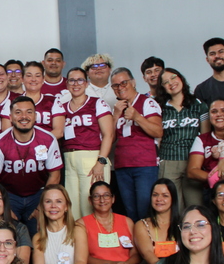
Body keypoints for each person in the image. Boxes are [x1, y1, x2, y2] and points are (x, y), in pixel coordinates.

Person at [0, 96, 62, 236]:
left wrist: (41, 206)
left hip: (38, 194)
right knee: (8, 235)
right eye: (18, 112)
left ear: (35, 116)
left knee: (39, 235)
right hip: (9, 195)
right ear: (10, 117)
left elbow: (55, 175)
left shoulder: (48, 139)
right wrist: (5, 207)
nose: (24, 116)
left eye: (29, 112)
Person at [52, 67, 113, 217]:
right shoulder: (62, 107)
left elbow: (109, 134)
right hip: (69, 158)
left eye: (80, 80)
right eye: (72, 80)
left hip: (91, 157)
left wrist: (101, 161)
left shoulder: (97, 103)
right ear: (67, 84)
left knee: (91, 207)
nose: (76, 84)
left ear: (86, 83)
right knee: (73, 209)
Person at [111, 67, 163, 223]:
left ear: (133, 82)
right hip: (122, 166)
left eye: (124, 83)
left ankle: (149, 239)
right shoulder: (117, 107)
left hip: (144, 165)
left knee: (145, 210)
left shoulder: (147, 102)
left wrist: (137, 117)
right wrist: (115, 115)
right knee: (130, 213)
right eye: (115, 85)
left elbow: (158, 131)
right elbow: (110, 139)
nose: (120, 87)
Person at [156, 67, 209, 208]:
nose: (171, 83)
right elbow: (158, 137)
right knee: (172, 206)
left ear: (181, 78)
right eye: (166, 82)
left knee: (195, 205)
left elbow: (205, 137)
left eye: (173, 77)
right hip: (168, 160)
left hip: (193, 162)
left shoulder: (199, 105)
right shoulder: (160, 107)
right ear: (162, 87)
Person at [134, 178, 181, 264]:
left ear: (173, 199)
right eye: (155, 195)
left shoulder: (183, 224)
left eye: (165, 195)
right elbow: (147, 253)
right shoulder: (142, 225)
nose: (159, 199)